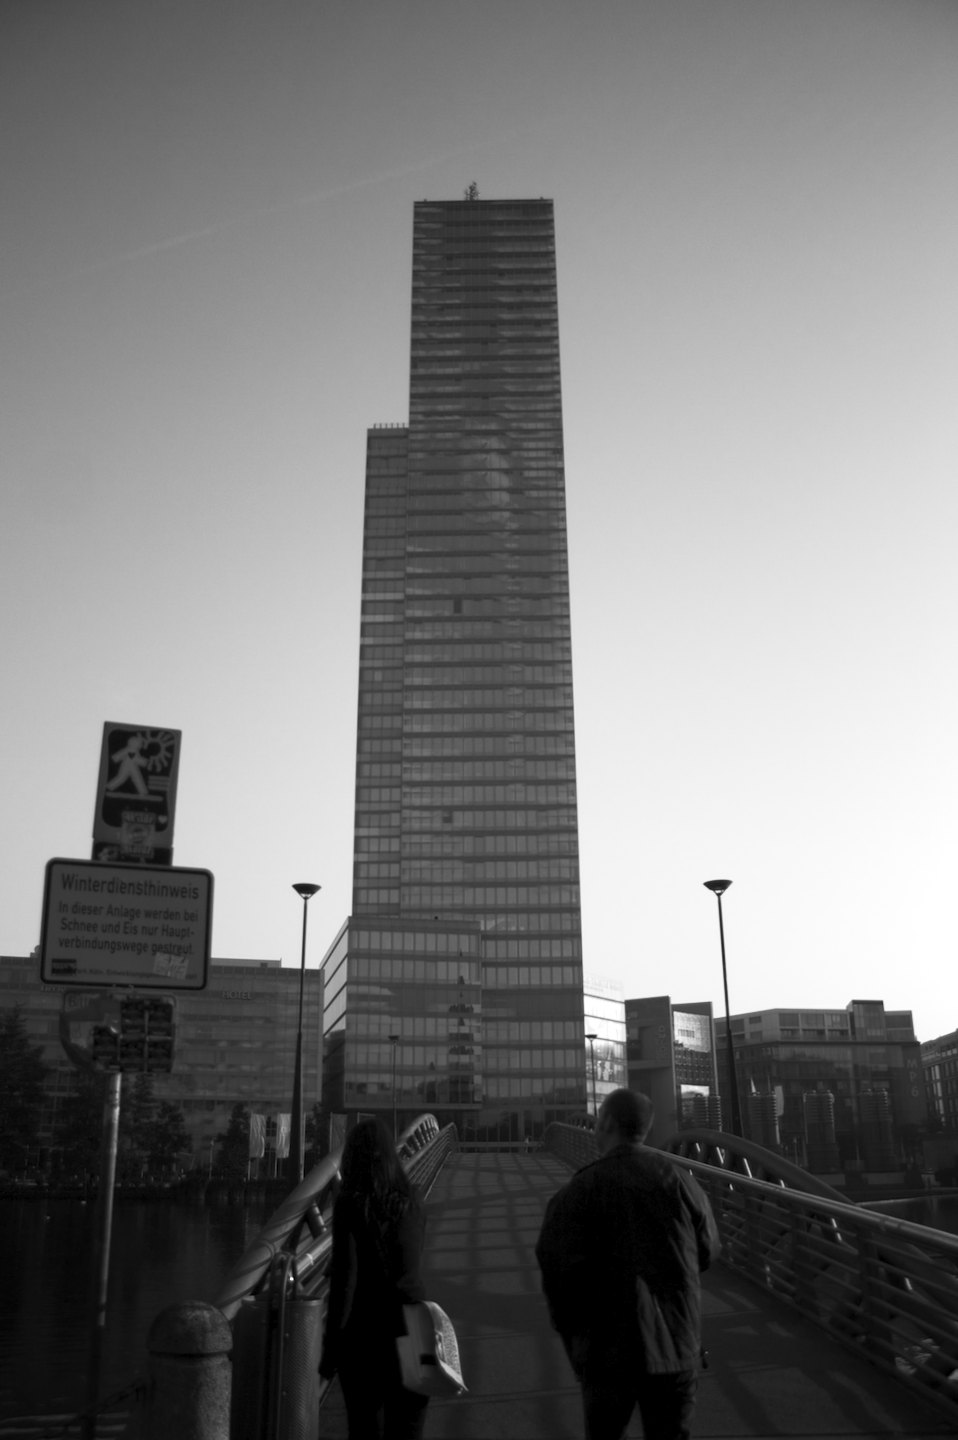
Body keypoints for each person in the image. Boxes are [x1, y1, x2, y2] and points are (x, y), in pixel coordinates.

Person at [536, 1088, 719, 1440]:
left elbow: (556, 1271)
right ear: (645, 1130)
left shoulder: (578, 1191)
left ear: (605, 1123)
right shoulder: (682, 1181)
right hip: (677, 1345)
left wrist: (575, 1338)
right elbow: (708, 1252)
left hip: (605, 1352)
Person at [319, 1115, 430, 1440]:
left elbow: (346, 1281)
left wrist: (330, 1353)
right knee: (408, 1429)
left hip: (365, 1339)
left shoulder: (351, 1203)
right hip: (414, 1330)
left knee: (366, 1429)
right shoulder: (414, 1201)